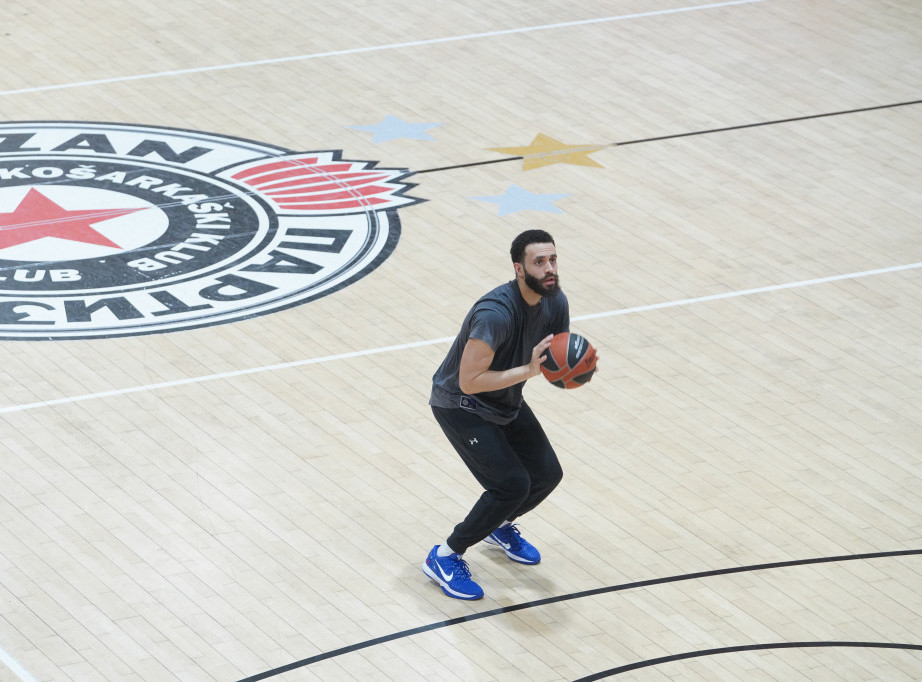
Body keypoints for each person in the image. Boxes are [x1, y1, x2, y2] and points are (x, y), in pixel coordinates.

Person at [423, 229, 589, 600]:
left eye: (553, 259)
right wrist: (529, 370)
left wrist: (572, 366)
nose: (549, 268)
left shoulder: (555, 302)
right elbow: (468, 381)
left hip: (505, 398)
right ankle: (445, 556)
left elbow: (553, 357)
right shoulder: (495, 314)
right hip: (461, 405)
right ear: (519, 269)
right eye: (539, 262)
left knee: (547, 474)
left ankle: (499, 525)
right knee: (511, 485)